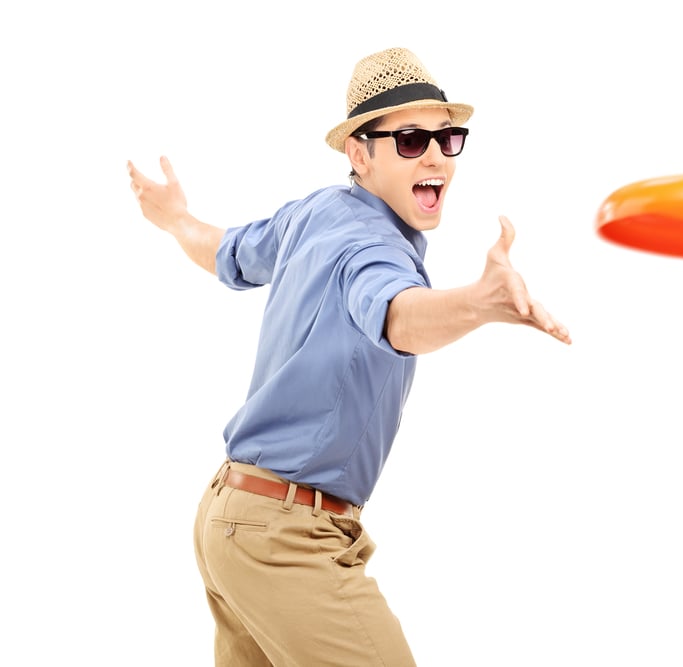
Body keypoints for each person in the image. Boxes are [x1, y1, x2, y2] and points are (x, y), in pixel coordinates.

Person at [126, 46, 571, 666]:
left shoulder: (315, 213)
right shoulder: (373, 249)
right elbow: (397, 315)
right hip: (284, 539)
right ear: (358, 154)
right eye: (411, 140)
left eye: (448, 137)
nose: (438, 155)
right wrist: (477, 302)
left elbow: (225, 250)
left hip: (230, 519)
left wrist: (175, 219)